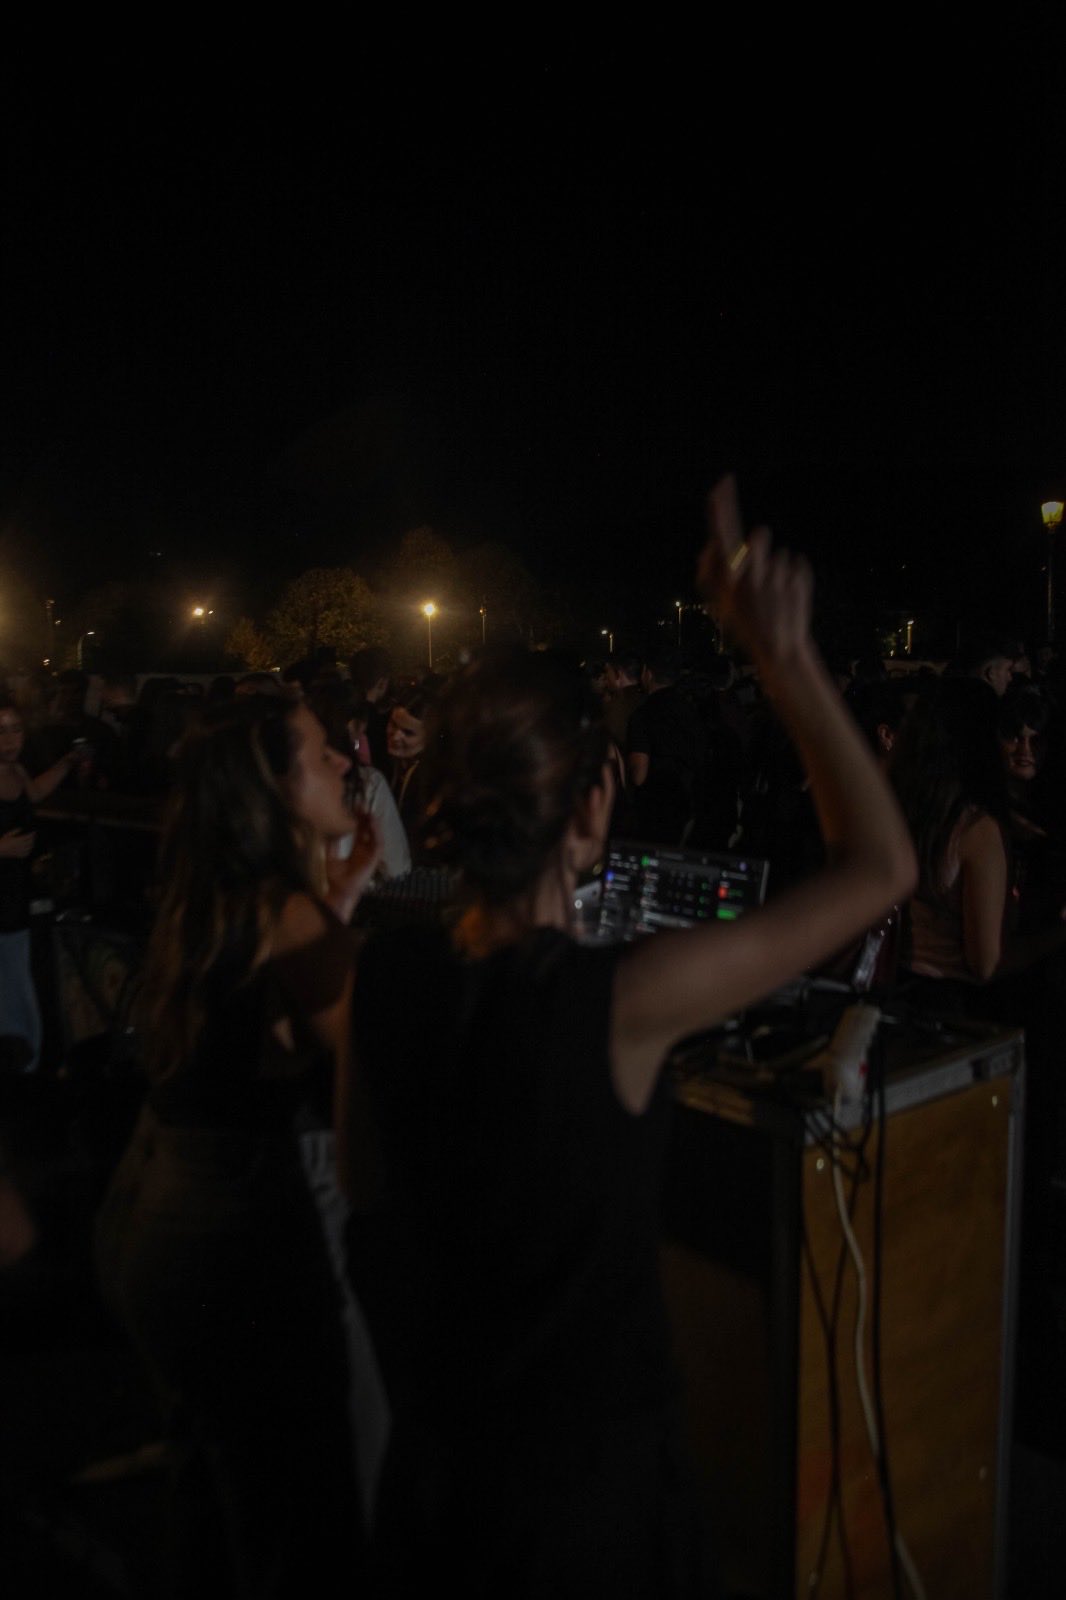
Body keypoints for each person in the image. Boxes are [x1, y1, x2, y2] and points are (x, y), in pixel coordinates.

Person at [338, 478, 917, 1595]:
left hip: (438, 1477)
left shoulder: (386, 977)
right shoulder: (619, 998)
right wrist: (780, 652)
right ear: (594, 806)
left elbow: (368, 1203)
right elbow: (881, 866)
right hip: (586, 1498)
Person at [94, 694, 386, 1597]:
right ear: (274, 791)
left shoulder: (219, 896)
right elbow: (370, 1070)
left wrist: (340, 896)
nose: (345, 762)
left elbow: (263, 999)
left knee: (220, 1494)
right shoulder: (290, 916)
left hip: (156, 1207)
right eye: (321, 753)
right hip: (243, 1227)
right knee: (320, 1514)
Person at [0, 697, 89, 1069]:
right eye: (1, 731)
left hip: (14, 890)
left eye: (16, 729)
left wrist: (67, 762)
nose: (10, 739)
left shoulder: (15, 770)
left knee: (16, 973)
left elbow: (34, 792)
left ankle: (22, 1056)